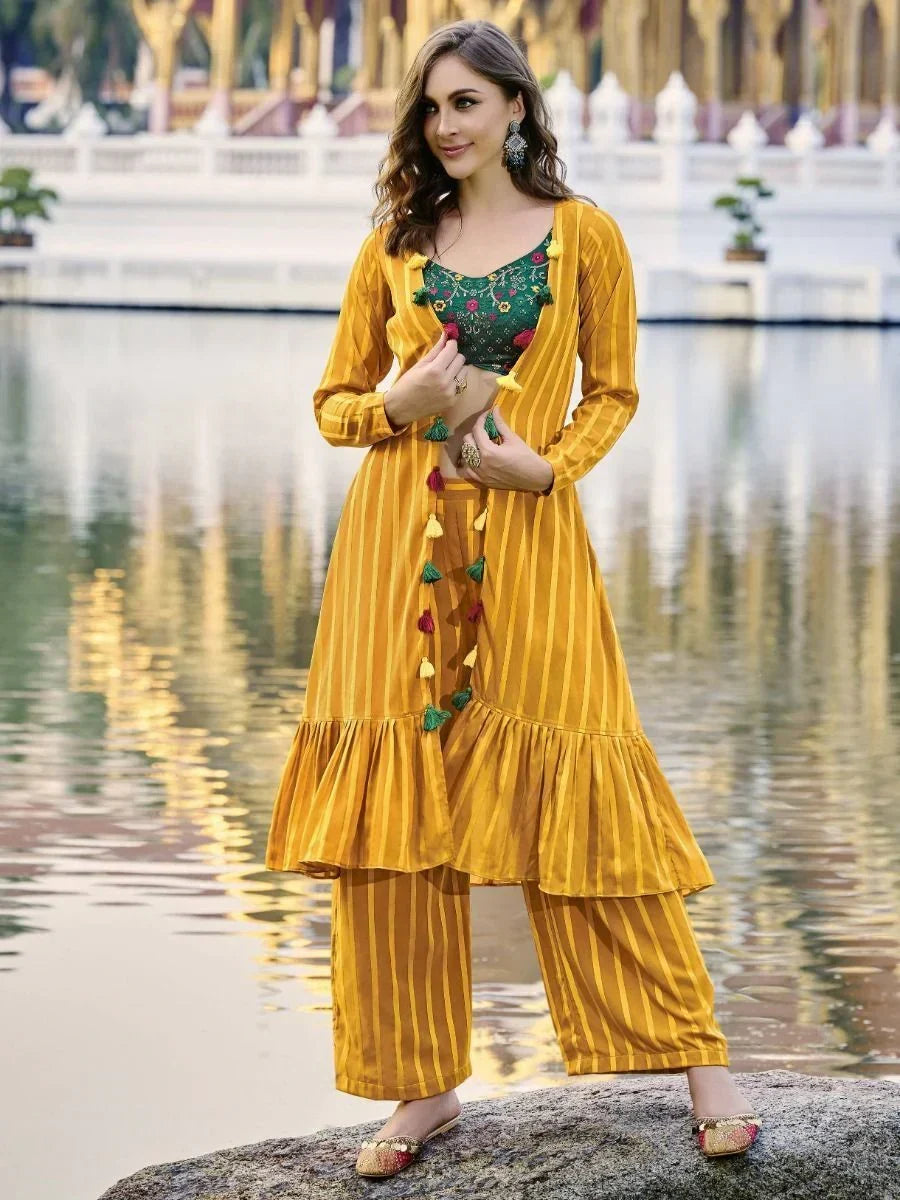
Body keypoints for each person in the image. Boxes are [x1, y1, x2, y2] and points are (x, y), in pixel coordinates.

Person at [265, 18, 762, 1179]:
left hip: (532, 550)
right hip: (395, 554)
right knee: (394, 816)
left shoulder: (585, 236)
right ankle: (421, 1088)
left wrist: (549, 467)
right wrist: (395, 407)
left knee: (584, 783)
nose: (446, 126)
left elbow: (614, 391)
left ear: (517, 110)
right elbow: (334, 404)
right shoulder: (395, 245)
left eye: (467, 104)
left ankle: (703, 1066)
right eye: (432, 107)